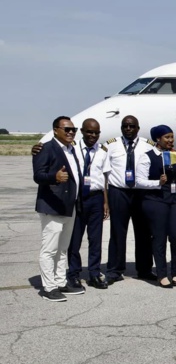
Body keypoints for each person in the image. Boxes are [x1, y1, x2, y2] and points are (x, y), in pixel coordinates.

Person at [99, 115, 155, 285]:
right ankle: (115, 270)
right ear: (122, 128)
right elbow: (104, 174)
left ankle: (144, 269)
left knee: (144, 233)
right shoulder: (110, 146)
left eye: (132, 126)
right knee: (117, 232)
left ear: (138, 128)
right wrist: (106, 199)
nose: (128, 129)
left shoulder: (148, 146)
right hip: (118, 192)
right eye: (125, 126)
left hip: (141, 193)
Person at [33, 116, 84, 301]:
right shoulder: (45, 148)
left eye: (73, 129)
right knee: (50, 249)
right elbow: (38, 175)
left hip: (69, 205)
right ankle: (49, 287)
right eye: (67, 129)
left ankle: (61, 281)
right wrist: (54, 177)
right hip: (52, 205)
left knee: (63, 248)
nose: (71, 132)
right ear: (55, 130)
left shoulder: (73, 149)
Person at [136, 125, 176, 288]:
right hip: (155, 201)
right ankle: (161, 274)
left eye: (172, 137)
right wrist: (157, 183)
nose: (170, 140)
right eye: (167, 137)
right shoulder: (147, 157)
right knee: (159, 238)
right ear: (157, 139)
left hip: (175, 200)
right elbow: (139, 181)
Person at [66, 118, 108, 290]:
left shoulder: (103, 151)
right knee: (75, 240)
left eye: (96, 132)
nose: (93, 135)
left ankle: (94, 274)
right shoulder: (72, 149)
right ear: (82, 131)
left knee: (95, 239)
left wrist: (106, 202)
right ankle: (74, 274)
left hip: (96, 198)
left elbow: (104, 178)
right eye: (89, 132)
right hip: (78, 199)